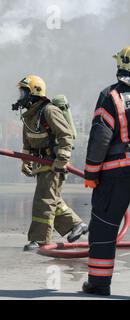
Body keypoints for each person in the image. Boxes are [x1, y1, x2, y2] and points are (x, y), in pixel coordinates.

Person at [13, 75, 88, 251]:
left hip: (53, 164)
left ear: (34, 92)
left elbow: (65, 135)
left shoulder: (49, 110)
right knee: (50, 199)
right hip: (41, 164)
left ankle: (40, 240)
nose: (21, 96)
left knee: (44, 201)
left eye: (24, 92)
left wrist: (62, 160)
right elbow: (27, 142)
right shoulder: (30, 115)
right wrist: (25, 161)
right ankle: (76, 225)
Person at [83, 46, 130, 296]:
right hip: (117, 173)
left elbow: (100, 138)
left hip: (116, 174)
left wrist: (91, 174)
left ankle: (99, 284)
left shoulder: (111, 96)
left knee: (104, 227)